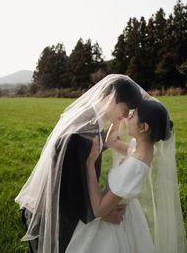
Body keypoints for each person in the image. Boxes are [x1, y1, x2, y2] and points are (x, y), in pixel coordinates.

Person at [15, 74, 143, 253]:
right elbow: (65, 191)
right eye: (125, 109)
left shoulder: (94, 123)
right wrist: (101, 214)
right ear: (111, 99)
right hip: (54, 214)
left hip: (67, 210)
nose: (125, 116)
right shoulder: (79, 134)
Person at [65, 98, 187, 252]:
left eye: (132, 115)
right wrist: (117, 120)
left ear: (144, 127)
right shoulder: (141, 150)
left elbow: (97, 209)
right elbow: (111, 141)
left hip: (112, 225)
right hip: (126, 213)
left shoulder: (134, 167)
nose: (128, 117)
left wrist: (90, 164)